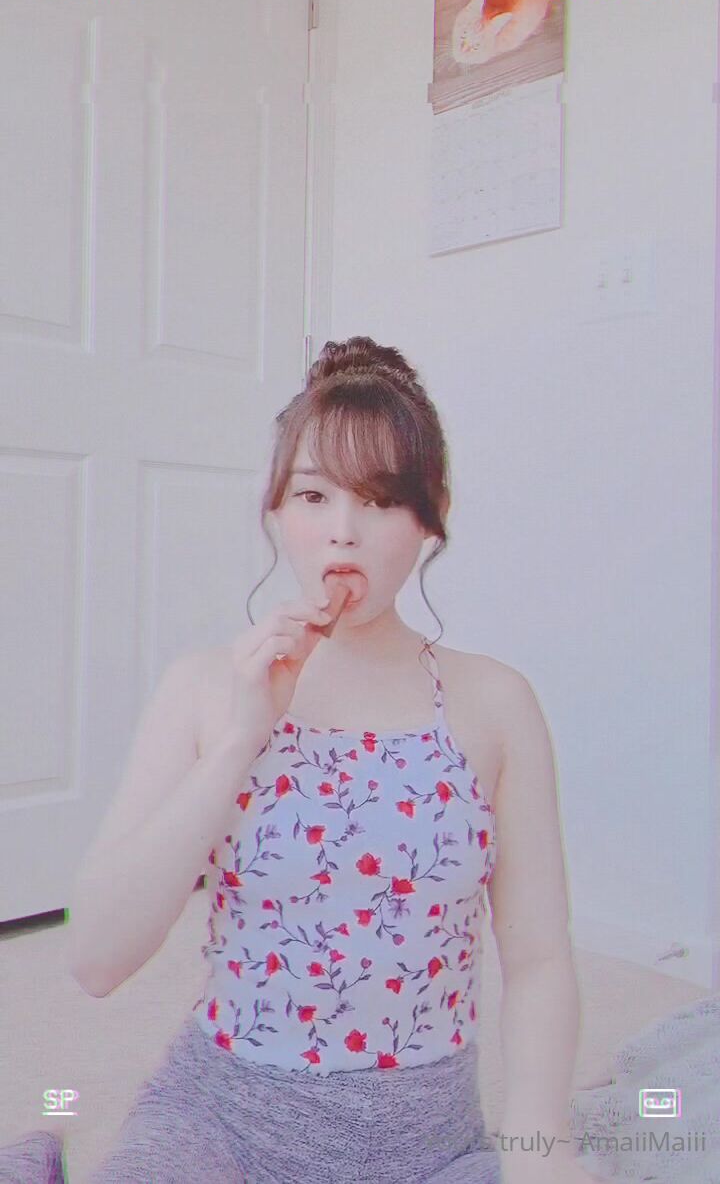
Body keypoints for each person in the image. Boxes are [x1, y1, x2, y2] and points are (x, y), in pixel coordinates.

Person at [59, 336, 713, 1183]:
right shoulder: (206, 687)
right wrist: (238, 743)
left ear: (431, 516)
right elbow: (96, 961)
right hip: (220, 1127)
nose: (342, 530)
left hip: (428, 1148)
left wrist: (540, 1145)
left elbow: (540, 960)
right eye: (312, 494)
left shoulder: (496, 703)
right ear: (275, 512)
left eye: (378, 499)